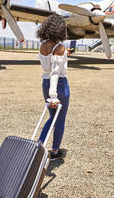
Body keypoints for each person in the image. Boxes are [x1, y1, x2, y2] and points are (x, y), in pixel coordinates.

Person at [37, 14, 70, 160]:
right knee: (59, 120)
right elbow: (55, 73)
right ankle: (55, 150)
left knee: (52, 117)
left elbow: (48, 68)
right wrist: (54, 96)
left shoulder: (43, 46)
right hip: (59, 85)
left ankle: (39, 144)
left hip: (45, 82)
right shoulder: (60, 47)